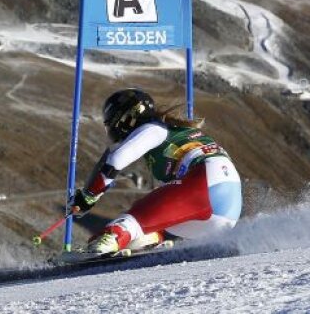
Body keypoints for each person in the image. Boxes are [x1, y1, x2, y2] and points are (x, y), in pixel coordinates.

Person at [69, 88, 242, 254]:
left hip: (207, 179)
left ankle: (110, 238)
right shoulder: (174, 132)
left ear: (124, 119)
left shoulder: (154, 129)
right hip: (227, 209)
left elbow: (115, 160)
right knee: (151, 226)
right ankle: (149, 241)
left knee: (134, 218)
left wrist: (89, 195)